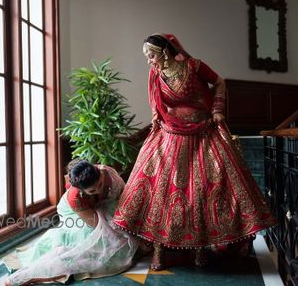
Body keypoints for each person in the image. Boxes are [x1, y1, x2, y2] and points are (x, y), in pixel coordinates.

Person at [113, 33, 277, 271]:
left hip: (203, 133)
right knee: (160, 190)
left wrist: (218, 109)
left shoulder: (193, 66)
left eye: (151, 55)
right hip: (169, 134)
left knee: (202, 190)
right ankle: (159, 250)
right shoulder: (156, 74)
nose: (148, 60)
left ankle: (202, 249)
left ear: (164, 52)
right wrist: (158, 122)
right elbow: (157, 105)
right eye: (147, 56)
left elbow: (220, 81)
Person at [4, 160, 138, 285]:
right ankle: (29, 275)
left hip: (101, 207)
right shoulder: (76, 198)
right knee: (91, 236)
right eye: (92, 190)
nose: (98, 190)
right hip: (74, 213)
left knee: (120, 228)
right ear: (81, 190)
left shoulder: (107, 172)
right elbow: (97, 225)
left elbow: (122, 194)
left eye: (100, 184)